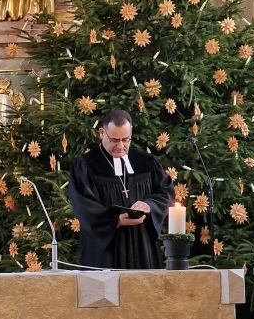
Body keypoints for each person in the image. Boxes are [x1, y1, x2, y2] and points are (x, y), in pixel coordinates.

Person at [68, 110, 175, 270]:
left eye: (126, 140)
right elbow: (83, 205)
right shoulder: (86, 165)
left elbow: (166, 192)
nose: (120, 146)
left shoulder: (146, 162)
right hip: (105, 251)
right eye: (114, 140)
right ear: (102, 132)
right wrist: (115, 220)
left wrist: (149, 206)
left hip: (142, 245)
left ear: (131, 132)